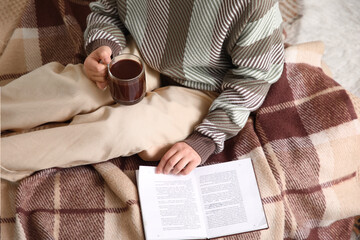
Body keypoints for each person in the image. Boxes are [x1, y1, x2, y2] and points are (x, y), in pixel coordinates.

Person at [83, 0, 284, 175]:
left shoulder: (254, 4)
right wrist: (102, 45)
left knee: (117, 130)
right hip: (144, 48)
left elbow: (253, 79)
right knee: (75, 90)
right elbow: (107, 10)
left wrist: (206, 139)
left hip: (207, 85)